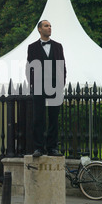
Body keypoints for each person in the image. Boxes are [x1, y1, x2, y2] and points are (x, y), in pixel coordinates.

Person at [26, 20, 66, 157]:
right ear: (39, 29)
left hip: (55, 86)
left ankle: (52, 148)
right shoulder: (32, 47)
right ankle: (38, 148)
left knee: (54, 118)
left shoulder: (58, 46)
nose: (49, 28)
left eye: (50, 26)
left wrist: (62, 84)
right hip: (38, 87)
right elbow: (29, 68)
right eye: (46, 26)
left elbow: (62, 66)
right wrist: (32, 85)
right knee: (38, 118)